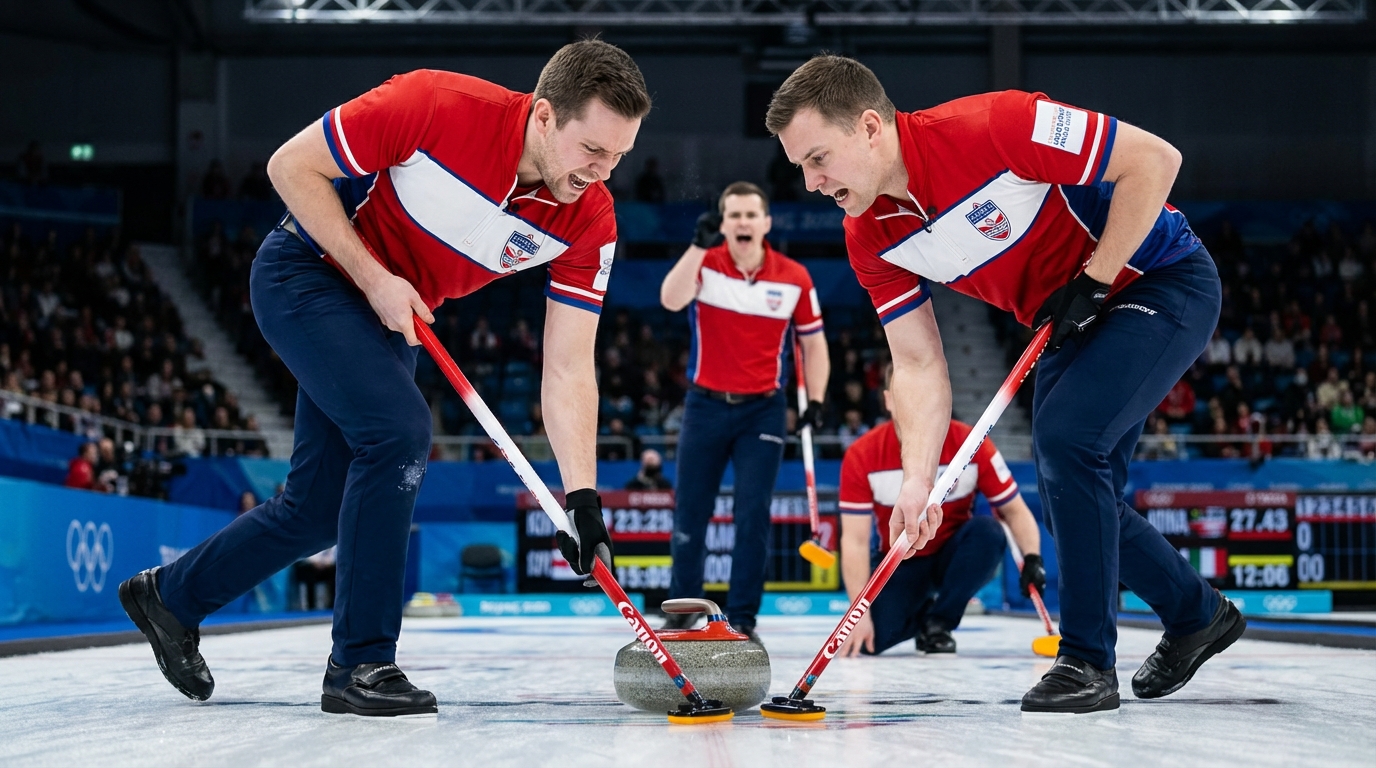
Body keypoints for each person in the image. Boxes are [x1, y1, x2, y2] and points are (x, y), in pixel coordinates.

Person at [119, 40, 651, 718]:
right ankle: (361, 663)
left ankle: (170, 598)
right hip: (308, 273)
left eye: (618, 158)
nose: (601, 174)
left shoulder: (591, 219)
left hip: (394, 321)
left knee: (315, 509)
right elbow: (290, 166)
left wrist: (583, 498)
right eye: (592, 151)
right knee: (400, 434)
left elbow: (571, 365)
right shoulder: (434, 104)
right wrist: (373, 279)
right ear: (545, 115)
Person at [767, 55, 1244, 714]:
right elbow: (918, 364)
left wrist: (1097, 277)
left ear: (869, 128)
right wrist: (916, 476)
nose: (812, 182)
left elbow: (1155, 161)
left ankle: (1083, 662)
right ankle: (1196, 615)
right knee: (1074, 488)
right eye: (800, 167)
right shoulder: (868, 238)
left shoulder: (996, 125)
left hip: (1159, 280)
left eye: (818, 158)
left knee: (1066, 440)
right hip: (1073, 322)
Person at [658, 181, 830, 639]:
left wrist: (815, 400)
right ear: (723, 223)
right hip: (704, 405)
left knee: (753, 515)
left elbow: (814, 344)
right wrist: (697, 245)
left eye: (751, 215)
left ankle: (743, 619)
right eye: (733, 215)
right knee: (690, 512)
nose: (742, 223)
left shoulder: (794, 277)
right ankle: (683, 610)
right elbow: (670, 299)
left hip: (763, 410)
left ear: (766, 223)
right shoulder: (706, 264)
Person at [837, 368, 1044, 657]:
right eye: (904, 395)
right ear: (888, 400)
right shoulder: (862, 455)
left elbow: (1014, 511)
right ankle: (923, 613)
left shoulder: (971, 443)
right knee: (874, 640)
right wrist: (857, 614)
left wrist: (1033, 558)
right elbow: (855, 541)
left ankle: (939, 621)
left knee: (988, 533)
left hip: (953, 554)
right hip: (902, 561)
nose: (915, 404)